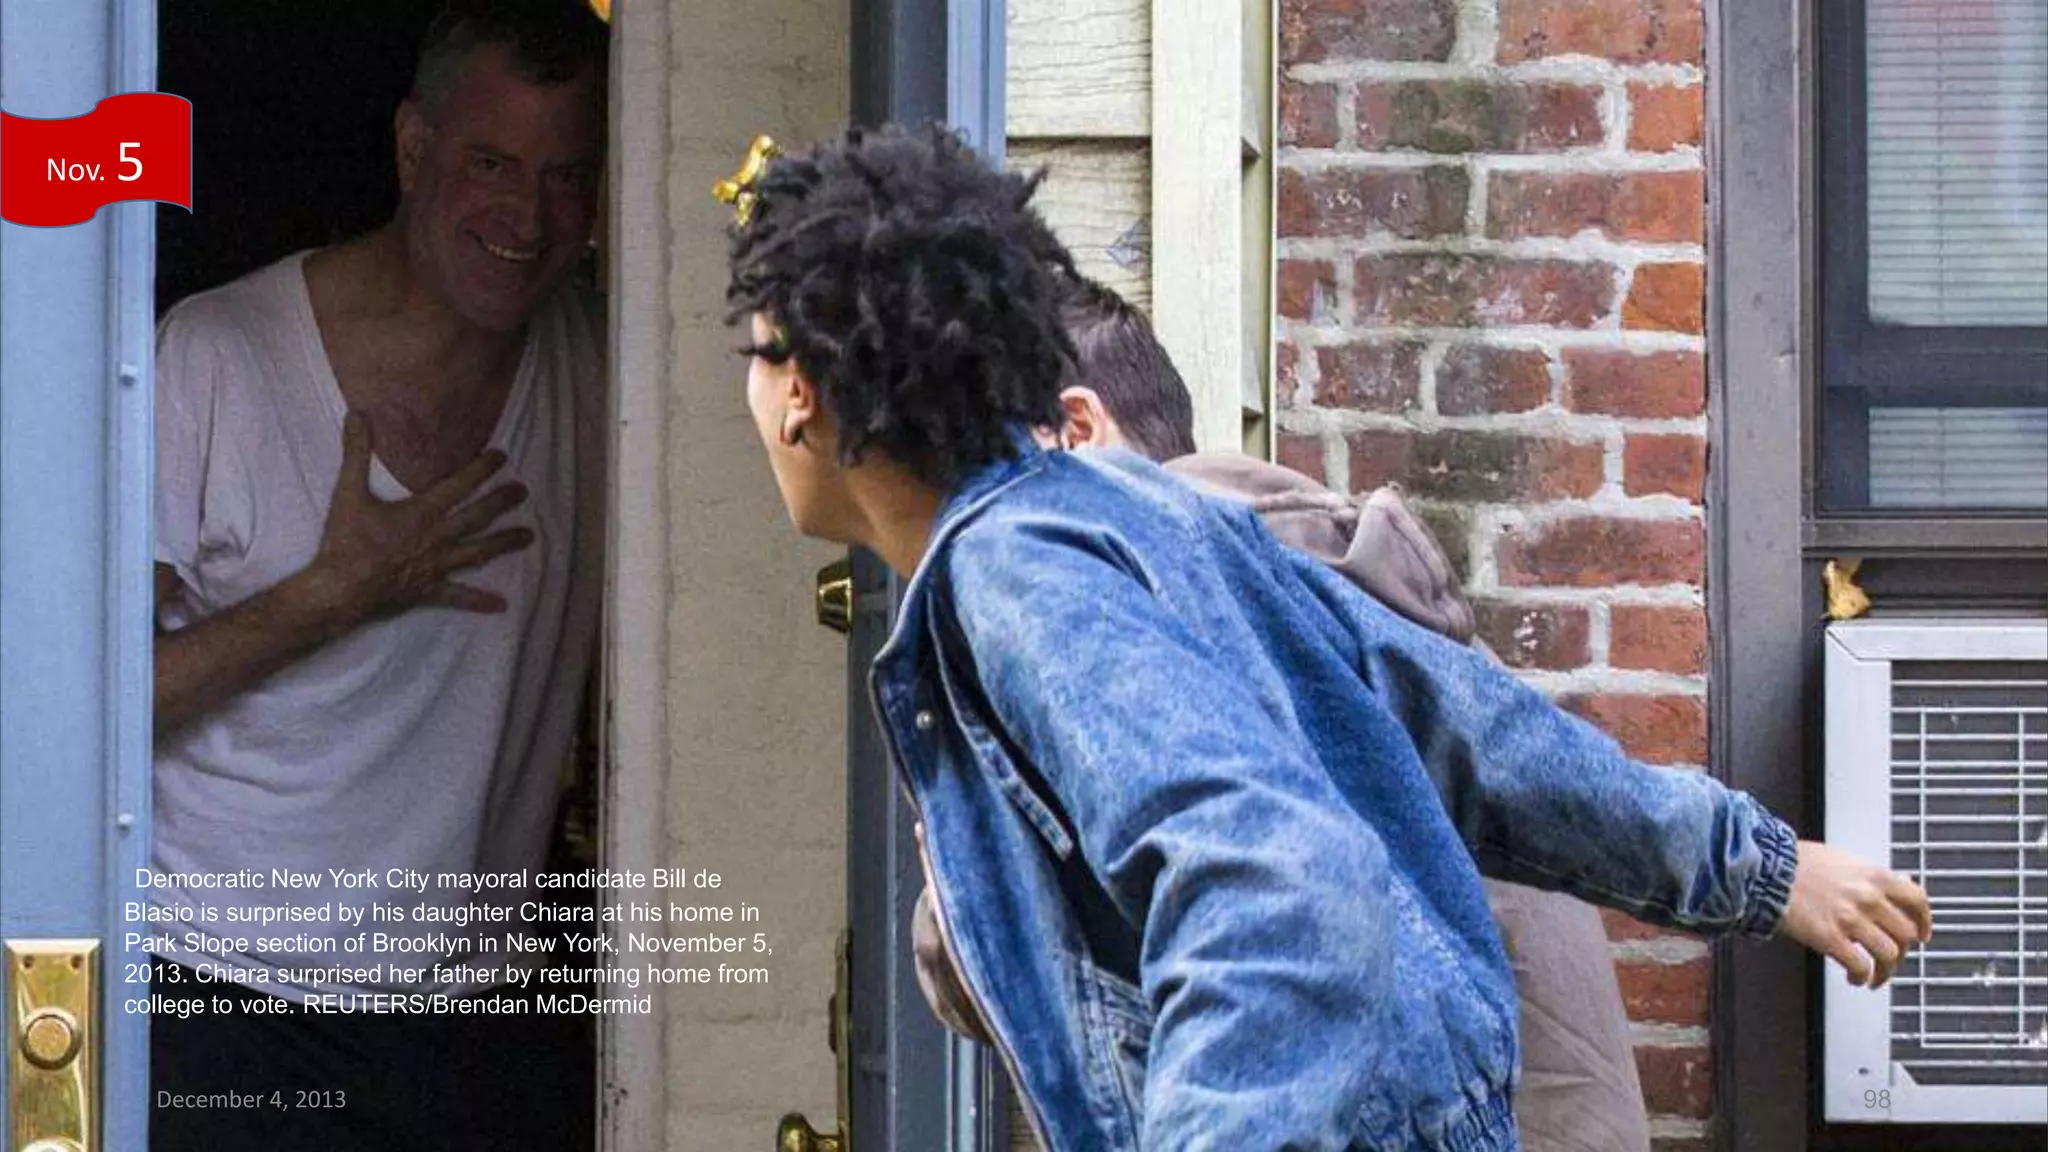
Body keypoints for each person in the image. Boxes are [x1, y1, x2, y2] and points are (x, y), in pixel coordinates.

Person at [723, 123, 1931, 1152]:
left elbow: (1272, 885)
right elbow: (1454, 717)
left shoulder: (1013, 573)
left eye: (752, 354)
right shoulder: (1138, 512)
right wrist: (1759, 867)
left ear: (801, 392)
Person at [911, 276, 1653, 1151]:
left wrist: (961, 849)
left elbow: (1017, 963)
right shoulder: (1312, 589)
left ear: (1080, 431)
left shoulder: (1171, 633)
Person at [148, 3, 606, 1148]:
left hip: (478, 1013)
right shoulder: (213, 357)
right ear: (412, 150)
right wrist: (329, 595)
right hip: (220, 992)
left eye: (567, 177)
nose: (526, 217)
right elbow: (80, 716)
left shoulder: (614, 372)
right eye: (490, 164)